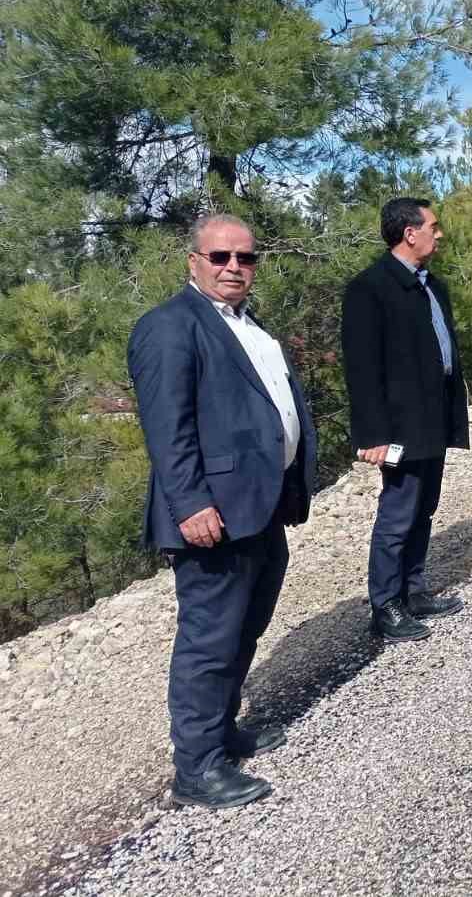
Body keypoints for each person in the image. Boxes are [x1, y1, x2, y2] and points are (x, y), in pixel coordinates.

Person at [128, 214, 317, 809]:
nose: (234, 267)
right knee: (209, 640)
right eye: (220, 257)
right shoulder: (168, 327)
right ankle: (197, 768)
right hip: (213, 514)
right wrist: (190, 503)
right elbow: (167, 427)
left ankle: (223, 732)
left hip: (259, 508)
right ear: (194, 261)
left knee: (245, 627)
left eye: (246, 258)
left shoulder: (248, 325)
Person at [341, 197, 469, 643]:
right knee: (397, 513)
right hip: (398, 426)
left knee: (424, 510)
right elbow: (361, 369)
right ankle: (386, 607)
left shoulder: (433, 285)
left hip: (433, 417)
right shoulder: (370, 288)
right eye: (433, 226)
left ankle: (414, 593)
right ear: (409, 233)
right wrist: (373, 434)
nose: (439, 233)